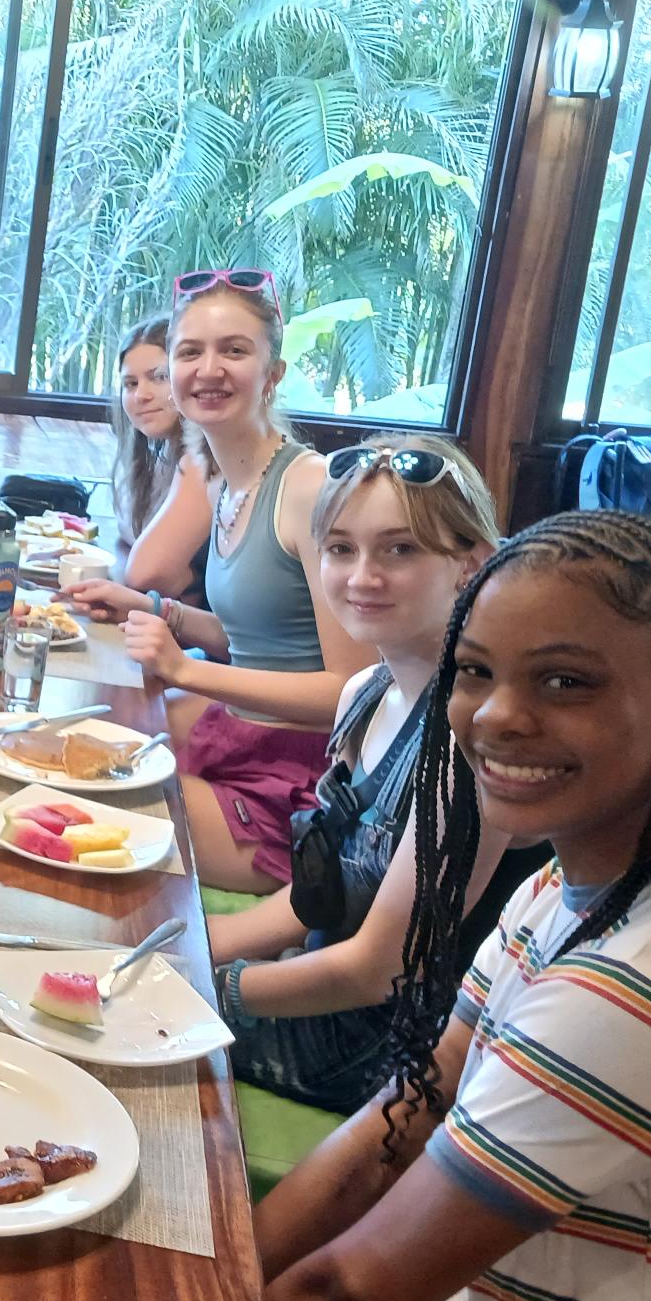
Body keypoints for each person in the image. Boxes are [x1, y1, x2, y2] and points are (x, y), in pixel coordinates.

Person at [255, 511, 651, 1301]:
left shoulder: (637, 993)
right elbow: (408, 1109)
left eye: (566, 681)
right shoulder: (574, 885)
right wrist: (225, 1270)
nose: (496, 716)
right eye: (475, 670)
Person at [208, 434, 542, 1112]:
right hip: (314, 989)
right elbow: (318, 898)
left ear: (471, 564)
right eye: (340, 548)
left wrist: (209, 986)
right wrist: (191, 941)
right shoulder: (366, 690)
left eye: (401, 549)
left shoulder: (469, 741)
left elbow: (378, 971)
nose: (362, 576)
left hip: (383, 1053)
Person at [64, 270, 375, 893]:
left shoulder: (306, 487)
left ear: (273, 373)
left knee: (89, 816)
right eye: (190, 352)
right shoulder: (224, 478)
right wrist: (154, 609)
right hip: (238, 733)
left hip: (295, 782)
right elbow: (258, 641)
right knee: (74, 751)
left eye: (234, 350)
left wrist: (185, 670)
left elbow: (356, 693)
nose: (209, 369)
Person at [107, 313, 210, 603]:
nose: (141, 395)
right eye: (130, 384)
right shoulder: (161, 449)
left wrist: (191, 578)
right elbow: (128, 524)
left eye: (159, 377)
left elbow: (147, 575)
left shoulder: (207, 456)